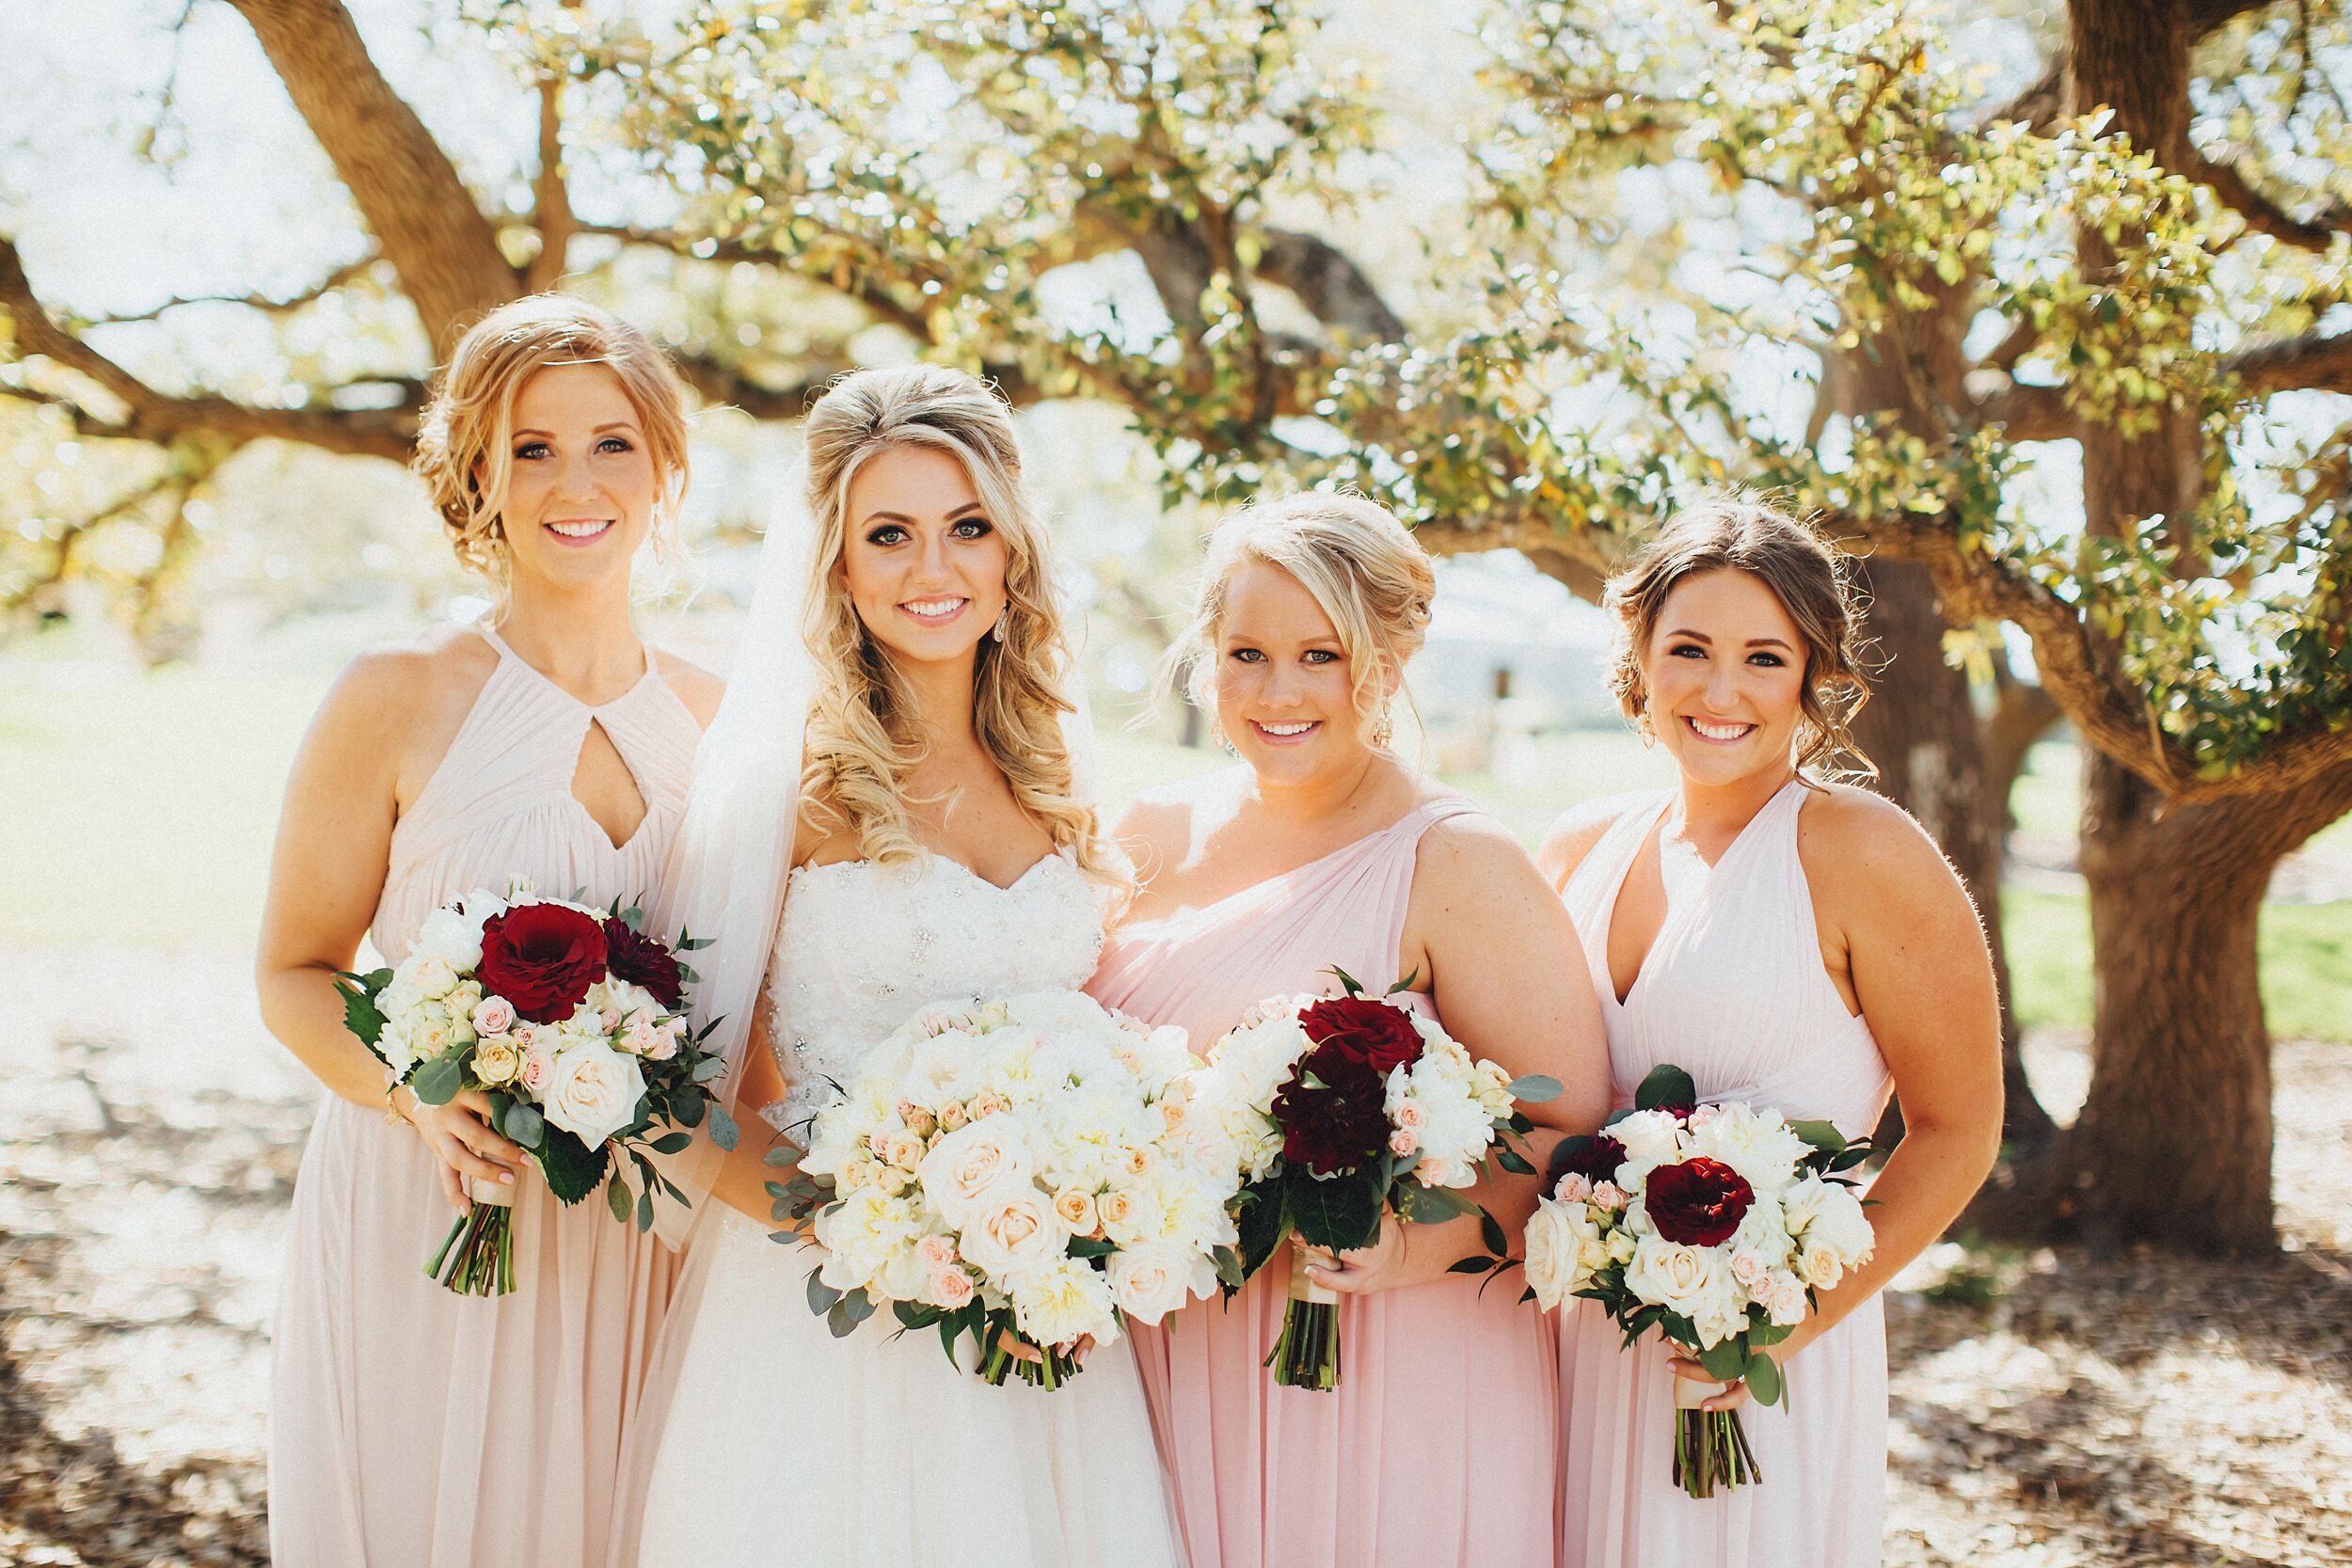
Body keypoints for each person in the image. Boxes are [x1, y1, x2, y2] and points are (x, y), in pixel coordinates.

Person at [620, 363, 1180, 1568]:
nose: (935, 570)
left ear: (1012, 551)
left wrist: (1066, 1213)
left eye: (966, 527)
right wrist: (874, 1221)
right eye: (890, 535)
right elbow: (667, 1095)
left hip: (1044, 1317)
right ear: (836, 565)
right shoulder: (789, 789)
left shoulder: (1057, 780)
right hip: (825, 1320)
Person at [256, 294, 723, 1567]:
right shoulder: (396, 694)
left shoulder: (724, 720)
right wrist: (418, 1091)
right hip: (437, 1206)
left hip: (645, 1233)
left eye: (613, 441)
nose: (576, 481)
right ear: (479, 472)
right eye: (532, 446)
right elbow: (293, 973)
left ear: (665, 464)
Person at [1088, 490, 1613, 1568]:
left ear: (1389, 653)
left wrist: (1414, 1245)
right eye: (1245, 652)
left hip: (1384, 1354)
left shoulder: (1458, 859)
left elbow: (1571, 1128)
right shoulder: (1143, 833)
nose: (1277, 691)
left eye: (1318, 653)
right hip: (1166, 1346)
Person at [1539, 498, 2002, 1567]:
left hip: (1759, 1348)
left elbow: (1958, 1126)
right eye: (1688, 648)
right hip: (1581, 1342)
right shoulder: (1575, 847)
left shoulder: (1862, 850)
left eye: (1762, 656)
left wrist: (1787, 1320)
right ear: (1638, 655)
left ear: (1810, 672)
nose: (1719, 689)